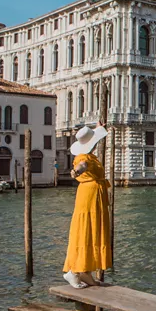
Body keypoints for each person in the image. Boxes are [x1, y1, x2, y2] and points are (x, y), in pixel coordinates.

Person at [63, 122, 111, 289]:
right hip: (89, 197)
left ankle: (86, 272)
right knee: (86, 230)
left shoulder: (90, 155)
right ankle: (74, 271)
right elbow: (81, 166)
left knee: (93, 230)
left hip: (93, 196)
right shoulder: (84, 158)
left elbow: (95, 136)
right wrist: (76, 171)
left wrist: (98, 127)